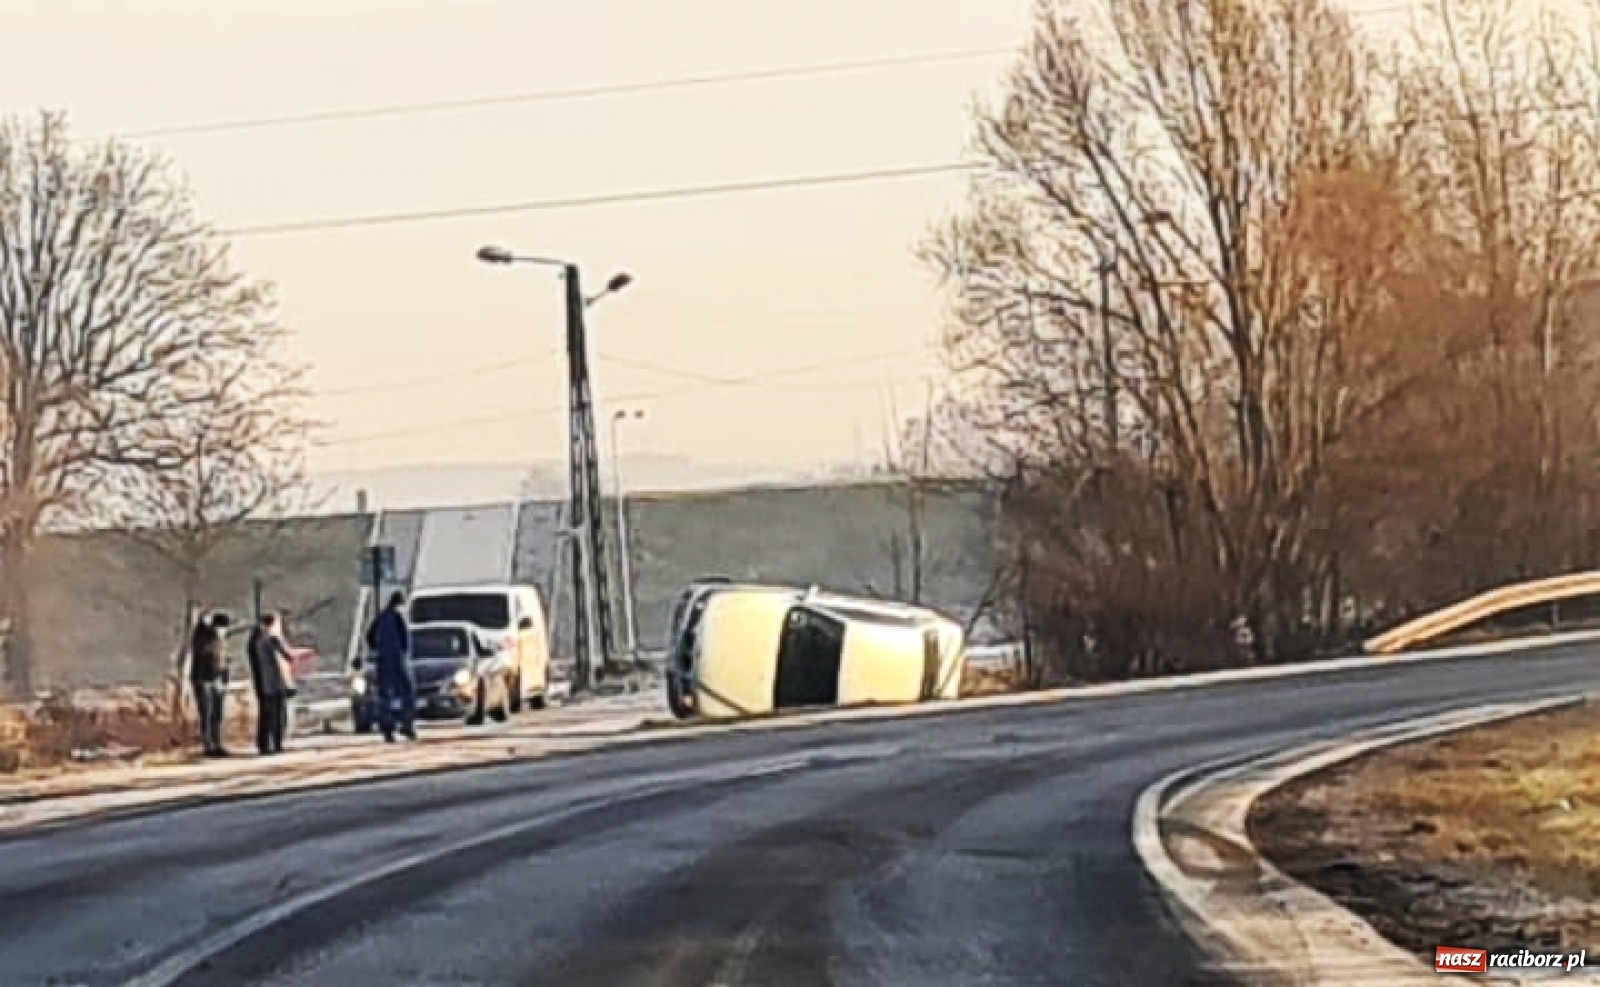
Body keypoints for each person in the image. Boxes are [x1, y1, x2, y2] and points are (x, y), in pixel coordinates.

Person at [365, 590, 416, 742]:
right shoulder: (399, 616)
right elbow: (405, 640)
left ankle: (387, 727)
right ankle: (406, 724)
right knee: (407, 691)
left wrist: (378, 648)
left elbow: (369, 636)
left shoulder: (380, 617)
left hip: (383, 660)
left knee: (385, 694)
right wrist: (403, 654)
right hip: (397, 660)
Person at [249, 612, 296, 755]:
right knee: (278, 715)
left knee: (267, 715)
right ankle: (276, 743)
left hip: (265, 683)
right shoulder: (273, 639)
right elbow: (288, 656)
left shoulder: (256, 641)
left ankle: (265, 744)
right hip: (276, 683)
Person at [188, 611, 232, 757]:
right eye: (221, 627)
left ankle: (217, 743)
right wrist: (202, 621)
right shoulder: (204, 637)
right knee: (206, 713)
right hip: (203, 680)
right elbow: (199, 644)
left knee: (217, 714)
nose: (222, 631)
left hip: (217, 680)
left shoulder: (222, 640)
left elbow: (224, 661)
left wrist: (225, 678)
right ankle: (208, 745)